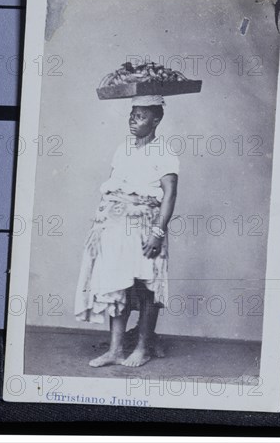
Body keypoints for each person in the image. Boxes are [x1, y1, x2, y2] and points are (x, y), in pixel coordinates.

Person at [74, 95, 179, 367]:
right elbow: (112, 185)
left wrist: (158, 232)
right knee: (116, 285)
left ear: (156, 121)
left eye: (141, 116)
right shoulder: (123, 148)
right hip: (115, 226)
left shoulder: (164, 152)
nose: (133, 119)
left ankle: (142, 347)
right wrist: (100, 221)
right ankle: (115, 349)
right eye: (132, 114)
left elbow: (169, 195)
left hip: (145, 224)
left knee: (146, 286)